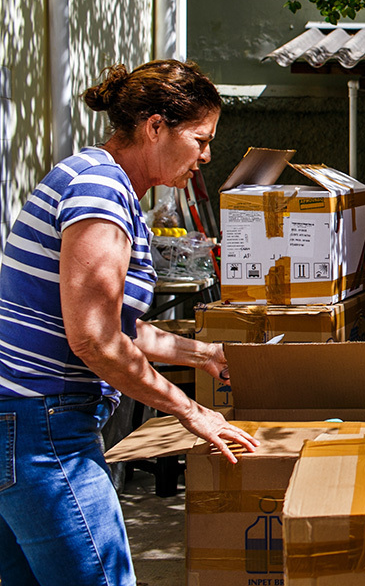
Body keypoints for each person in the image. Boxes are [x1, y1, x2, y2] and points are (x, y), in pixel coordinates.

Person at [0, 60, 258, 586]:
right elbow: (93, 340)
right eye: (200, 139)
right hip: (44, 431)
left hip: (18, 423)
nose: (206, 157)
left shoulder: (94, 181)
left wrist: (201, 354)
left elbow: (110, 325)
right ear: (155, 127)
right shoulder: (100, 189)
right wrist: (190, 410)